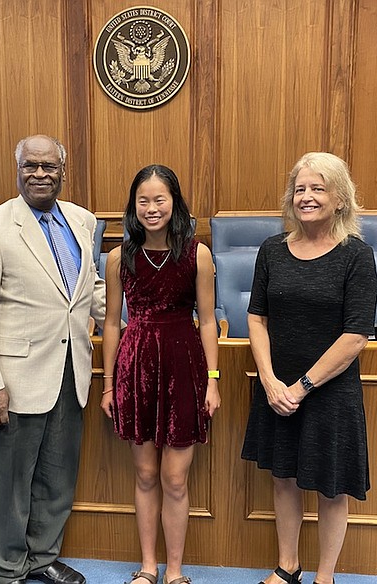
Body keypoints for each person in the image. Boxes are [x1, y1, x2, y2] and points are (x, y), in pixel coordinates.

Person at [0, 135, 105, 584]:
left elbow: (89, 289)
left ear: (64, 169)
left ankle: (42, 558)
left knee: (56, 479)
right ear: (17, 169)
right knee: (7, 484)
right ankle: (7, 570)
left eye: (48, 166)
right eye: (30, 166)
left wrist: (137, 317)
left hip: (70, 371)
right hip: (12, 378)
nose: (40, 174)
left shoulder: (82, 220)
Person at [241, 152, 377, 584]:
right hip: (276, 386)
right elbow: (256, 317)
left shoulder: (356, 255)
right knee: (283, 476)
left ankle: (325, 575)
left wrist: (300, 387)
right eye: (300, 189)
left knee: (330, 486)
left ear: (340, 198)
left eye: (318, 188)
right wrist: (268, 379)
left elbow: (355, 336)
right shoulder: (272, 250)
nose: (307, 196)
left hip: (329, 390)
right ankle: (288, 566)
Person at [100, 165, 220, 584]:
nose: (151, 208)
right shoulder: (120, 256)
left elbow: (207, 321)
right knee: (146, 474)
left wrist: (214, 378)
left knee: (174, 477)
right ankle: (148, 567)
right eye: (143, 201)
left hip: (184, 366)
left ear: (175, 202)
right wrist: (108, 382)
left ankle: (174, 570)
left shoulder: (197, 253)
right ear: (133, 207)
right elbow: (112, 323)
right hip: (136, 368)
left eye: (160, 199)